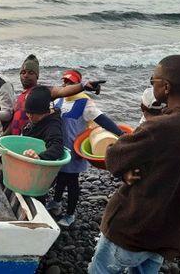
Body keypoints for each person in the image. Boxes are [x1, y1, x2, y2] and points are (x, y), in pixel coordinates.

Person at [88, 55, 180, 273]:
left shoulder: (160, 128)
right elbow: (171, 161)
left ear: (166, 87)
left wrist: (148, 123)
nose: (151, 84)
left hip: (135, 229)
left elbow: (114, 156)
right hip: (170, 231)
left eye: (153, 81)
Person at [47, 69, 123, 227]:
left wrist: (121, 134)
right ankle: (56, 203)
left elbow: (102, 120)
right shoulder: (58, 100)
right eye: (65, 81)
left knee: (72, 181)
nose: (66, 84)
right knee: (60, 177)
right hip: (60, 149)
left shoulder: (85, 102)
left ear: (78, 85)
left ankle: (70, 214)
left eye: (71, 82)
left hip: (74, 151)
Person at [9, 55, 102, 136]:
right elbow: (15, 120)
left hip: (29, 143)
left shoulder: (42, 92)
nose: (26, 75)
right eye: (23, 72)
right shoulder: (20, 96)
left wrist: (83, 85)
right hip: (14, 142)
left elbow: (62, 91)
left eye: (31, 73)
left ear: (37, 76)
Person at [21, 86, 64, 161]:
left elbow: (57, 148)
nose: (30, 116)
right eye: (28, 112)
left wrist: (39, 157)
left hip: (41, 165)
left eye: (34, 113)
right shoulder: (34, 120)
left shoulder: (52, 126)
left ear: (44, 112)